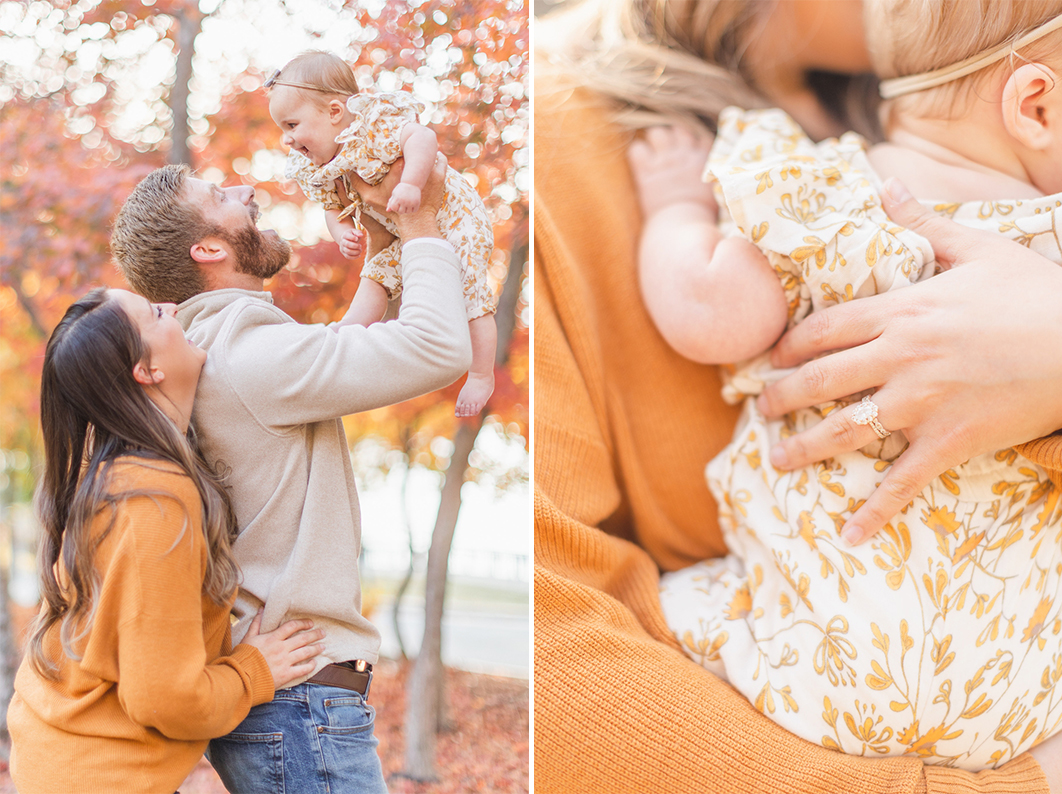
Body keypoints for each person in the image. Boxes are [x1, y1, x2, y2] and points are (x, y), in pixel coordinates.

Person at [534, 0, 1062, 791]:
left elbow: (716, 313)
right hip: (1020, 697)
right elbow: (555, 658)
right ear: (1031, 104)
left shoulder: (818, 190)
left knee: (695, 605)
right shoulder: (550, 133)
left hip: (803, 662)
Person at [109, 152, 471, 793]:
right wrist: (423, 223)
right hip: (301, 710)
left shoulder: (217, 354)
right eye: (220, 193)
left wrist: (382, 256)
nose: (245, 188)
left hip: (288, 705)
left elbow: (332, 352)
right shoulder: (248, 356)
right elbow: (438, 348)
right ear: (208, 248)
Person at [6, 288, 325, 794]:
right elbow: (164, 699)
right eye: (156, 313)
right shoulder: (154, 501)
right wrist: (254, 670)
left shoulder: (118, 476)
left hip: (61, 764)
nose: (174, 308)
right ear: (147, 370)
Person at [267, 50, 497, 417]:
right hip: (398, 230)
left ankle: (482, 375)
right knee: (376, 275)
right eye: (283, 130)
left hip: (453, 217)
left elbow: (421, 138)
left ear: (334, 112)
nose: (288, 140)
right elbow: (331, 206)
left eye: (292, 125)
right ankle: (345, 333)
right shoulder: (323, 165)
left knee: (470, 290)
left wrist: (410, 184)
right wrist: (342, 231)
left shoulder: (374, 126)